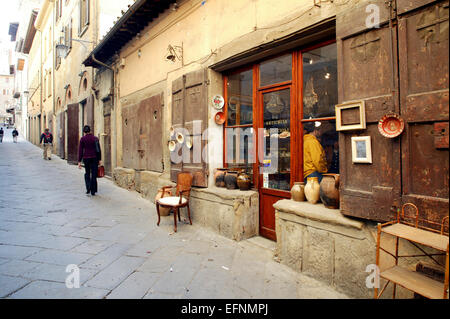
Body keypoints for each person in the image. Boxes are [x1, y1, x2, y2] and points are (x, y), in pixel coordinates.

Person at [78, 125, 102, 196]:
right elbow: (98, 150)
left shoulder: (82, 139)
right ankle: (93, 190)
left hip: (86, 158)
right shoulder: (95, 138)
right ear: (90, 130)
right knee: (94, 174)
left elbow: (80, 150)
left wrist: (79, 161)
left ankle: (88, 188)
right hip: (94, 158)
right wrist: (99, 159)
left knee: (87, 173)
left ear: (84, 132)